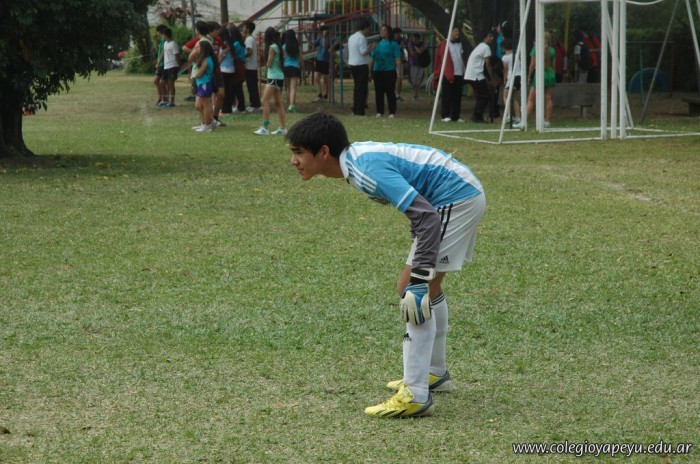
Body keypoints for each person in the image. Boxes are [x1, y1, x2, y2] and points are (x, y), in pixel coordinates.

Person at [286, 112, 486, 418]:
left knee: (412, 289)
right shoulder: (356, 163)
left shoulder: (364, 169)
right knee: (424, 287)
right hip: (455, 194)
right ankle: (434, 373)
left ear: (323, 152)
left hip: (455, 197)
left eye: (299, 153)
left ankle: (415, 394)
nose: (294, 161)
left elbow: (426, 216)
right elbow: (419, 207)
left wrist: (419, 277)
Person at [515, 32, 556, 130]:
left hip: (540, 74)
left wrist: (529, 76)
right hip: (550, 75)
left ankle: (524, 121)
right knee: (548, 98)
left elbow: (532, 65)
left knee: (531, 99)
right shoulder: (552, 50)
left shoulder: (535, 49)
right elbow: (553, 66)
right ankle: (547, 121)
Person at [254, 27, 286, 135]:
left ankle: (265, 127)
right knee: (278, 102)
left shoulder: (272, 47)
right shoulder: (279, 46)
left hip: (273, 76)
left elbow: (269, 63)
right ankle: (282, 128)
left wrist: (266, 63)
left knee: (264, 100)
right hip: (279, 76)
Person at [369, 24, 401, 118]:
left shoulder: (393, 44)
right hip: (378, 70)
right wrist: (370, 71)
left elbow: (397, 58)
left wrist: (399, 71)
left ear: (388, 32)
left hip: (389, 70)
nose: (382, 32)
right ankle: (379, 111)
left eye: (384, 30)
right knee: (379, 92)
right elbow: (372, 58)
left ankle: (392, 112)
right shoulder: (377, 44)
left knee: (390, 91)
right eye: (381, 30)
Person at [464, 30, 495, 123]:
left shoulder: (480, 46)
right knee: (485, 95)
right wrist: (492, 78)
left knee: (483, 94)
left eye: (492, 36)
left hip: (473, 73)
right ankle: (477, 116)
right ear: (485, 38)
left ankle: (477, 115)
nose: (492, 38)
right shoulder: (486, 47)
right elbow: (488, 64)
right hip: (475, 74)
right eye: (490, 36)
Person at [347, 19, 372, 116]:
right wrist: (371, 48)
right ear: (365, 28)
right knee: (362, 89)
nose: (368, 31)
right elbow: (364, 52)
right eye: (368, 29)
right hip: (361, 65)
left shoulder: (351, 37)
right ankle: (360, 109)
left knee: (357, 87)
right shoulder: (362, 38)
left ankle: (355, 108)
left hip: (353, 64)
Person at [192, 40, 217, 132]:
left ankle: (207, 125)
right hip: (201, 84)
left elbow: (200, 73)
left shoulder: (206, 60)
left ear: (203, 49)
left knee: (206, 105)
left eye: (198, 47)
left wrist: (194, 76)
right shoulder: (205, 58)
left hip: (205, 83)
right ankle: (207, 122)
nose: (196, 49)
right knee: (199, 105)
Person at [243, 21, 262, 112]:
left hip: (250, 66)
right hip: (252, 66)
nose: (243, 29)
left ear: (248, 29)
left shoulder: (249, 39)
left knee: (252, 86)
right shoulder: (250, 38)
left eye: (244, 27)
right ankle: (254, 104)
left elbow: (249, 52)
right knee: (251, 86)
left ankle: (255, 105)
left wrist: (242, 56)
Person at [501, 38, 521, 124]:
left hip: (511, 77)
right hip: (519, 76)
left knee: (505, 96)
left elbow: (505, 70)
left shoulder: (505, 57)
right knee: (515, 98)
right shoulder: (516, 55)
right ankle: (517, 117)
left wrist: (504, 80)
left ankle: (509, 115)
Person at [161, 27, 180, 107]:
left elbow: (177, 55)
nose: (162, 36)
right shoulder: (165, 43)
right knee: (162, 82)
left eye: (162, 34)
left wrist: (178, 65)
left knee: (171, 84)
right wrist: (159, 62)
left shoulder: (173, 43)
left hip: (173, 65)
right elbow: (163, 53)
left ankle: (172, 102)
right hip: (166, 66)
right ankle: (165, 100)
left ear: (165, 34)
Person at [313, 26, 333, 102]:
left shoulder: (330, 40)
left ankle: (326, 94)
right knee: (316, 78)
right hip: (318, 60)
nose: (321, 33)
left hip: (325, 61)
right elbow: (313, 45)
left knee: (326, 80)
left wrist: (324, 36)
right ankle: (319, 94)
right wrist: (305, 35)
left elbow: (325, 45)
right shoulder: (319, 39)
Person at [282, 29, 301, 113]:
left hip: (286, 67)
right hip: (295, 67)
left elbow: (283, 58)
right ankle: (292, 105)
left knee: (288, 87)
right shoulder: (297, 47)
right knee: (293, 88)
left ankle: (288, 103)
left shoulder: (284, 46)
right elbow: (300, 59)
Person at [407, 33, 429, 100]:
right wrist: (418, 50)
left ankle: (416, 95)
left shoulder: (423, 44)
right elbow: (413, 53)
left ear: (419, 39)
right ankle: (414, 93)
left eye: (416, 39)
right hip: (413, 64)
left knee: (419, 80)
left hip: (421, 64)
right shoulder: (410, 43)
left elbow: (419, 51)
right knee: (413, 80)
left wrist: (415, 47)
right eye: (413, 39)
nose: (414, 40)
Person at [153, 24, 168, 106]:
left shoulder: (165, 40)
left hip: (164, 64)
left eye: (157, 32)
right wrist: (155, 40)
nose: (157, 33)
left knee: (161, 82)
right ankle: (161, 98)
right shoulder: (162, 40)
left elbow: (164, 52)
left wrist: (158, 62)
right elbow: (157, 50)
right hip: (161, 64)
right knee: (157, 81)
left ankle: (164, 99)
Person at [392, 27, 408, 102]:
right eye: (397, 34)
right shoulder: (391, 42)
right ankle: (394, 94)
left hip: (399, 62)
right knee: (394, 78)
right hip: (392, 62)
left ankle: (397, 94)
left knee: (399, 78)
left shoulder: (401, 41)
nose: (399, 36)